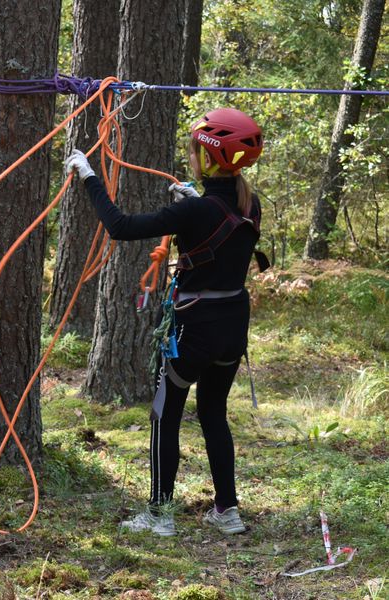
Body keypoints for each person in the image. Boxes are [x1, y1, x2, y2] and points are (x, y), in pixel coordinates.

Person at [65, 108, 266, 537]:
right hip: (233, 327)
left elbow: (119, 226)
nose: (190, 155)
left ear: (209, 157)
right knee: (214, 412)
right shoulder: (249, 204)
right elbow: (218, 229)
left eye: (195, 149)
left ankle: (160, 515)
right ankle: (227, 511)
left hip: (192, 329)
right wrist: (193, 202)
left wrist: (88, 176)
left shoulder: (195, 213)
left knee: (163, 415)